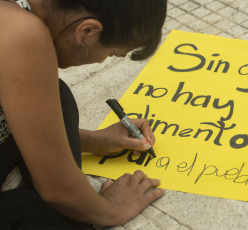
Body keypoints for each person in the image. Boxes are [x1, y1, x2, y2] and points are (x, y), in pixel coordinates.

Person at [0, 0, 167, 229]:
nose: (101, 60)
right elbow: (57, 188)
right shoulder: (23, 33)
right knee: (35, 212)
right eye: (112, 54)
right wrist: (112, 209)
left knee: (58, 95)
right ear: (87, 31)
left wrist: (94, 140)